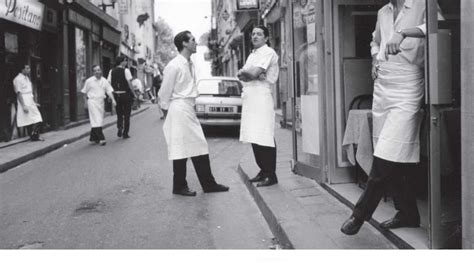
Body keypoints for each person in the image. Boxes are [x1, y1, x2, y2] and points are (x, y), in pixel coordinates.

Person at [341, 0, 442, 235]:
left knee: (387, 152)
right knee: (391, 153)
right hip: (383, 85)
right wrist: (376, 58)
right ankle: (407, 213)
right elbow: (375, 41)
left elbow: (439, 27)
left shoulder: (422, 3)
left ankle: (360, 214)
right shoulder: (383, 11)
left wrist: (403, 32)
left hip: (408, 84)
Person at [158, 30, 229, 196]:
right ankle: (187, 186)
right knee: (186, 146)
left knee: (193, 145)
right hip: (180, 108)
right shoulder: (174, 65)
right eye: (192, 40)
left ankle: (200, 184)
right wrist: (170, 112)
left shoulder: (189, 63)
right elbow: (163, 93)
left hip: (188, 108)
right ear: (184, 43)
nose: (195, 43)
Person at [237, 25, 279, 187]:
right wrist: (249, 73)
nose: (255, 36)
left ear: (266, 38)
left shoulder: (268, 52)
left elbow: (251, 74)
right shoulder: (252, 55)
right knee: (254, 136)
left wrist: (251, 73)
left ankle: (271, 174)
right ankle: (263, 171)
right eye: (253, 34)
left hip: (261, 96)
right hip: (250, 97)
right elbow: (242, 75)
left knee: (264, 135)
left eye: (259, 34)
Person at [81, 65, 117, 146]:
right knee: (96, 119)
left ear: (101, 71)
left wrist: (113, 100)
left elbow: (109, 91)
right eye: (95, 70)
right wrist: (85, 102)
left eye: (98, 70)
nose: (97, 72)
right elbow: (84, 93)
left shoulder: (104, 81)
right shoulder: (89, 81)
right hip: (92, 102)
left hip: (101, 102)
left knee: (99, 120)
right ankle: (101, 138)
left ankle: (93, 137)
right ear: (93, 72)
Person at [13, 64, 44, 141]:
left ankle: (34, 135)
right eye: (27, 68)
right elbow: (19, 93)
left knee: (36, 118)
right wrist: (23, 105)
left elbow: (30, 92)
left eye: (29, 68)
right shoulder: (18, 79)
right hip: (24, 100)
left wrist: (34, 102)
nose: (29, 70)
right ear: (22, 69)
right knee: (31, 119)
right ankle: (34, 136)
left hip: (29, 100)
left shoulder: (27, 78)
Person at [108, 55, 134, 139]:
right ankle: (125, 133)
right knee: (127, 114)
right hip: (125, 94)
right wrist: (134, 93)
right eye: (125, 61)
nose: (126, 62)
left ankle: (119, 127)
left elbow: (108, 83)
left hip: (116, 95)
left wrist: (110, 95)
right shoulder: (126, 70)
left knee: (119, 113)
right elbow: (130, 83)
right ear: (121, 61)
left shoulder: (111, 71)